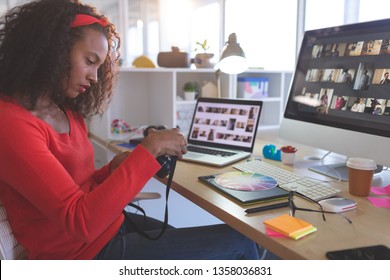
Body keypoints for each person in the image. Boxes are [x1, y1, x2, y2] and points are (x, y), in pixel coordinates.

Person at [0, 0, 261, 260]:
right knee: (242, 243)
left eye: (99, 67)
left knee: (239, 241)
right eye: (90, 61)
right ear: (54, 49)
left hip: (111, 228)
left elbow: (81, 185)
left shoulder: (65, 110)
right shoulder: (11, 124)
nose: (94, 77)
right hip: (82, 254)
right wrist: (149, 149)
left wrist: (113, 170)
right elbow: (81, 221)